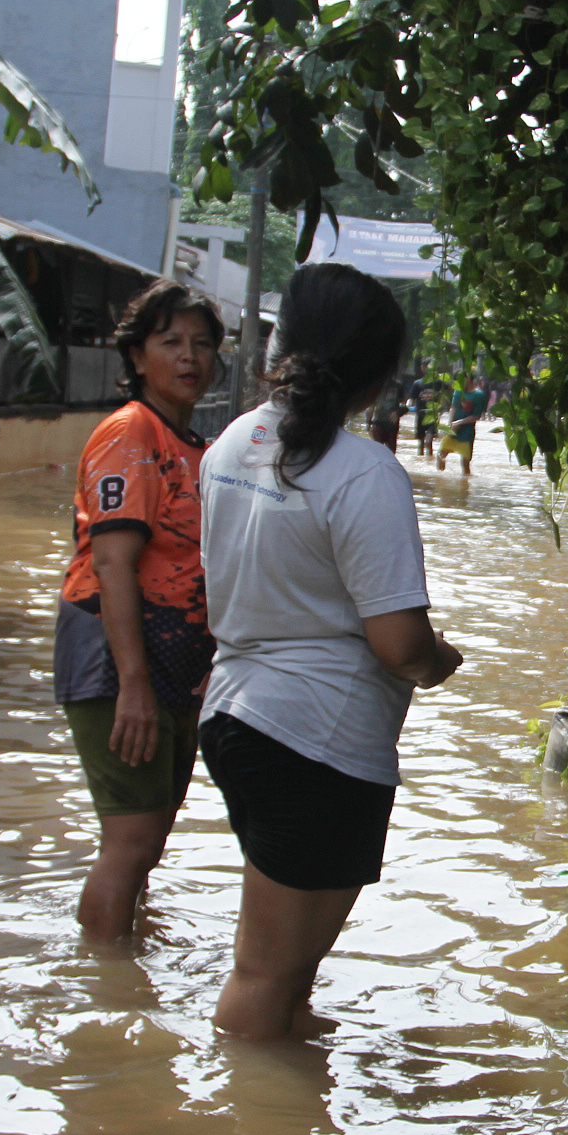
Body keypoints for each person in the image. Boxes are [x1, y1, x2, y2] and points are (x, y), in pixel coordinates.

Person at [199, 263, 465, 1040]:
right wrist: (438, 661)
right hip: (317, 741)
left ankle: (291, 1100)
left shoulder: (231, 443)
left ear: (280, 345)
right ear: (380, 375)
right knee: (265, 973)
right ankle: (240, 1110)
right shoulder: (364, 474)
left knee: (286, 971)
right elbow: (399, 643)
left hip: (237, 718)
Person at [55, 279, 224, 944]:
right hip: (117, 654)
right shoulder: (132, 433)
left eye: (202, 344)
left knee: (146, 840)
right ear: (136, 356)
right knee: (131, 841)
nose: (189, 357)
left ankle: (129, 954)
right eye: (171, 342)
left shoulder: (194, 447)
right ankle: (106, 980)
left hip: (175, 658)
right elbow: (113, 563)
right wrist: (133, 684)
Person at [436, 377, 486, 475]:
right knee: (440, 455)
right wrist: (450, 423)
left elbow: (476, 416)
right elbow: (453, 408)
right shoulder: (458, 391)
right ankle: (440, 477)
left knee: (465, 463)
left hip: (467, 433)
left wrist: (459, 423)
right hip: (453, 430)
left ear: (470, 379)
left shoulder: (479, 395)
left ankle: (466, 481)